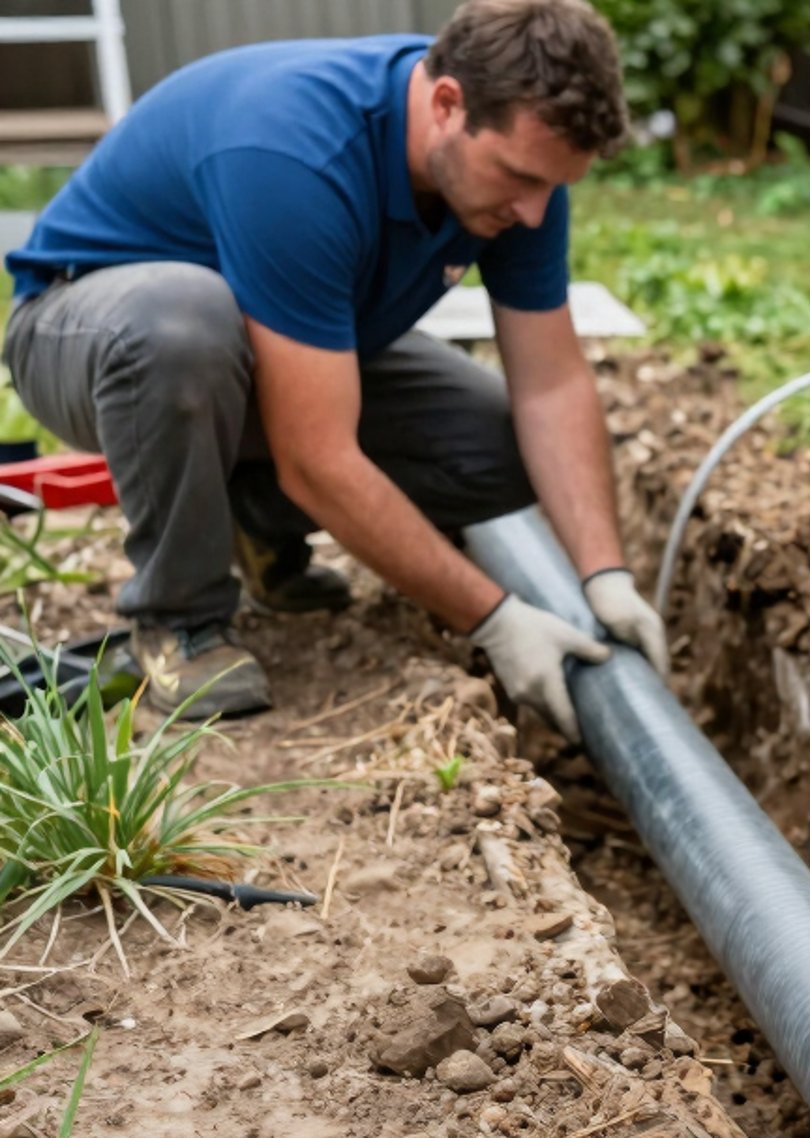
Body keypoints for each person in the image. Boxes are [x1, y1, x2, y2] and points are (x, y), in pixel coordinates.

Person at [1, 0, 665, 735]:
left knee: (497, 450)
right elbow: (317, 458)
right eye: (518, 178)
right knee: (185, 325)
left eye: (553, 186)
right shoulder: (297, 150)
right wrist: (498, 621)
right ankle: (177, 619)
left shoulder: (519, 167)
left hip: (268, 341)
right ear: (447, 104)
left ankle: (252, 518)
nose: (536, 212)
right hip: (90, 334)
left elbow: (552, 384)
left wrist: (606, 576)